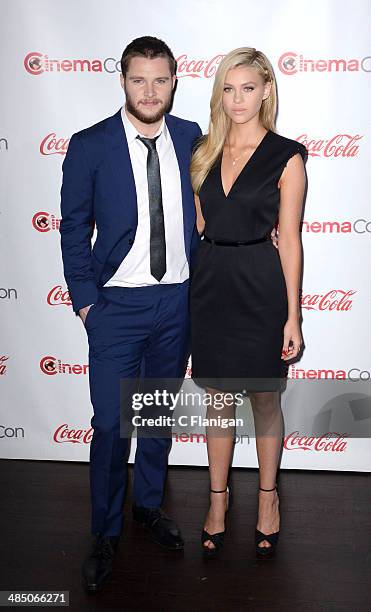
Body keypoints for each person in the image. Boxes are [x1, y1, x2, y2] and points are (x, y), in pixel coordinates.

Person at [59, 36, 203, 593]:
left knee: (157, 416)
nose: (149, 90)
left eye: (159, 79)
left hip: (176, 301)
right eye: (138, 79)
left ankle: (148, 507)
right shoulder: (90, 145)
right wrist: (87, 299)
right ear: (122, 80)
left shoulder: (192, 137)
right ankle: (104, 530)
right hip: (116, 305)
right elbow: (73, 226)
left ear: (174, 80)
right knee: (112, 424)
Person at [190, 47, 307, 559]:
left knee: (263, 399)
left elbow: (293, 238)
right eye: (228, 88)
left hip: (260, 287)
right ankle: (217, 502)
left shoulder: (288, 155)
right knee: (217, 401)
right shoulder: (203, 151)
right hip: (212, 283)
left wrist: (294, 315)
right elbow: (199, 224)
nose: (238, 99)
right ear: (220, 93)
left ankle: (267, 498)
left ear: (266, 92)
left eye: (248, 88)